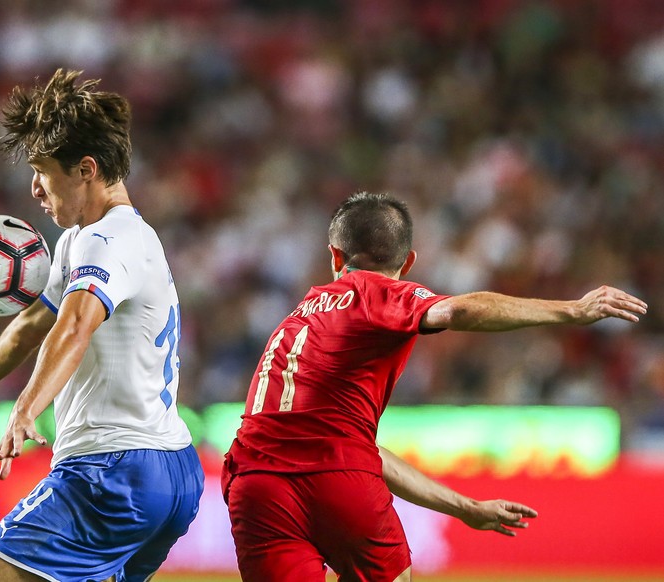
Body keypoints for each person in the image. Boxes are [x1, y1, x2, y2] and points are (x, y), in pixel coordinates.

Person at [222, 191, 647, 582]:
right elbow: (459, 309)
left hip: (253, 483)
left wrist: (467, 508)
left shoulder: (300, 317)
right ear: (407, 264)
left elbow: (350, 449)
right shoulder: (375, 293)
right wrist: (572, 310)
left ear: (335, 255)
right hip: (334, 478)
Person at [0, 68, 204, 582]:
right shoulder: (85, 240)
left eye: (42, 170)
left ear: (86, 169)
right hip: (169, 468)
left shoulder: (112, 239)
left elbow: (77, 325)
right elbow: (40, 317)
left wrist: (25, 408)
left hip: (111, 469)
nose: (34, 188)